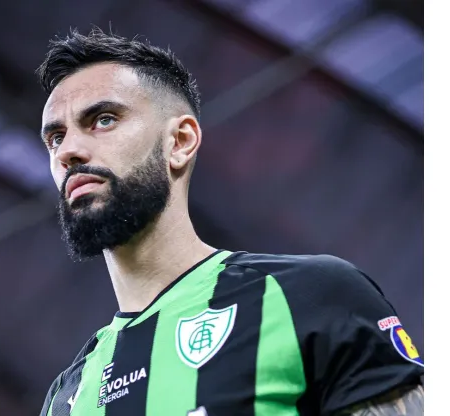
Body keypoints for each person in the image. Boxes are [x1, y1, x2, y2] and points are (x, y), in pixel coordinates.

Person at [35, 27, 423, 416]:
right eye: (55, 138)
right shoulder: (67, 395)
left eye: (103, 120)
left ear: (180, 141)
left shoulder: (308, 296)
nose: (69, 151)